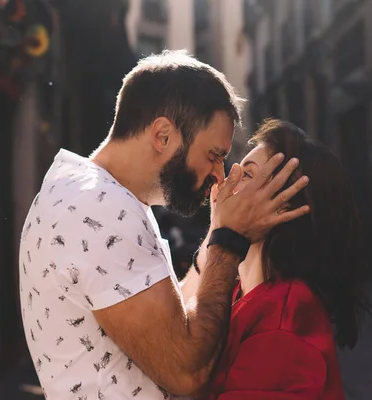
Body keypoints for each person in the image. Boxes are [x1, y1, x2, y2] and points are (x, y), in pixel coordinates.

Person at [18, 50, 309, 400]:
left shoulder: (97, 197)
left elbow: (171, 317)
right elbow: (187, 372)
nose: (219, 174)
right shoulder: (100, 209)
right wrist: (229, 241)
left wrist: (219, 229)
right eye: (214, 155)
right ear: (163, 135)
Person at [199, 120, 371, 399]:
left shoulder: (284, 322)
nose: (226, 180)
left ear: (283, 206)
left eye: (247, 175)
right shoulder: (238, 293)